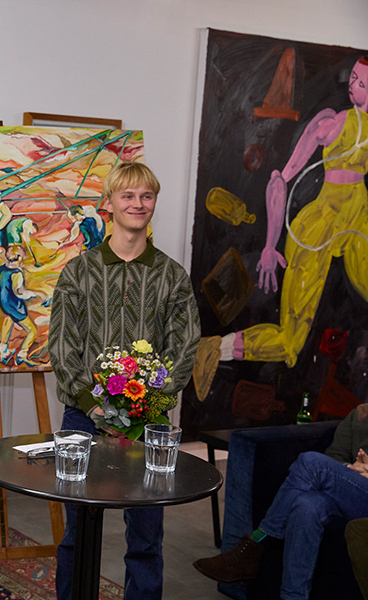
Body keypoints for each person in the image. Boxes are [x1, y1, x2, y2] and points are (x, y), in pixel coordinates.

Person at [47, 161, 201, 599]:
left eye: (146, 196)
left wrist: (145, 407)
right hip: (83, 419)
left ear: (154, 203)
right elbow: (63, 346)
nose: (138, 203)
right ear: (109, 204)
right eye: (128, 196)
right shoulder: (78, 272)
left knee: (147, 539)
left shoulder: (172, 276)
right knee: (76, 533)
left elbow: (184, 346)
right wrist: (95, 407)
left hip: (149, 425)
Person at [199, 57, 368, 385]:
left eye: (362, 83)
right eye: (353, 79)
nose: (353, 87)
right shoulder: (329, 123)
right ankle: (214, 349)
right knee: (291, 342)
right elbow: (279, 179)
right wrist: (269, 246)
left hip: (356, 223)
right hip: (316, 231)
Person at [193, 404, 368, 600]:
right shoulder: (359, 414)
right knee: (307, 505)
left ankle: (256, 543)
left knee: (311, 462)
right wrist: (350, 469)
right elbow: (334, 456)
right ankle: (292, 596)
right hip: (352, 494)